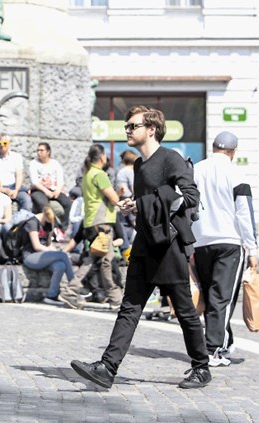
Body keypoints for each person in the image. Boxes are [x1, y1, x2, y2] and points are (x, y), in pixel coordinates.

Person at [71, 105, 211, 390]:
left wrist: (143, 202)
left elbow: (191, 195)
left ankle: (202, 367)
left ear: (151, 129)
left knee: (184, 310)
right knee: (129, 307)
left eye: (132, 126)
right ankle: (107, 368)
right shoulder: (139, 165)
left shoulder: (170, 159)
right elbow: (150, 205)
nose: (128, 131)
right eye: (127, 127)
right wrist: (132, 207)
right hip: (145, 243)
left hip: (169, 246)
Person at [191, 131, 257, 367]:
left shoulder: (196, 170)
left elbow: (185, 205)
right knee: (223, 298)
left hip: (201, 242)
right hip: (229, 241)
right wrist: (252, 248)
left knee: (211, 296)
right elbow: (244, 214)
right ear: (233, 151)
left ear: (213, 147)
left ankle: (225, 342)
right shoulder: (236, 173)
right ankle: (212, 349)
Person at [78, 143, 123, 306]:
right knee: (107, 260)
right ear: (102, 157)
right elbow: (113, 199)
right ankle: (115, 297)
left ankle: (69, 290)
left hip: (92, 220)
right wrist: (119, 197)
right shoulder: (100, 174)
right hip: (102, 222)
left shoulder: (88, 174)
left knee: (97, 259)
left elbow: (99, 197)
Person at [21, 205, 76, 307]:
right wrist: (57, 254)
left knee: (60, 265)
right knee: (62, 255)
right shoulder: (32, 223)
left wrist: (55, 253)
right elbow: (37, 246)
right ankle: (74, 287)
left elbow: (49, 244)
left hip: (43, 256)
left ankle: (51, 295)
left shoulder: (49, 223)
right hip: (31, 256)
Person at [28, 142, 72, 230]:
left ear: (48, 152)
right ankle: (51, 227)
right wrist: (46, 192)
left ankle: (63, 228)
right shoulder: (33, 163)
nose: (39, 152)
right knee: (43, 204)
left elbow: (60, 180)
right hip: (39, 190)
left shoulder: (55, 164)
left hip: (54, 190)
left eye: (41, 150)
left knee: (67, 203)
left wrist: (57, 191)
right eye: (38, 150)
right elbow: (35, 182)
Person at [0, 134, 32, 212]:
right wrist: (2, 189)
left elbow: (19, 175)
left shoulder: (16, 157)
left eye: (5, 143)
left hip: (14, 187)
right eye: (0, 143)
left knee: (26, 200)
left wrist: (16, 190)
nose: (2, 146)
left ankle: (23, 222)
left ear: (9, 144)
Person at [114, 149, 138, 251]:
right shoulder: (129, 171)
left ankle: (125, 249)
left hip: (122, 200)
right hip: (129, 200)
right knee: (135, 224)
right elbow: (134, 188)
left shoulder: (121, 171)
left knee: (124, 225)